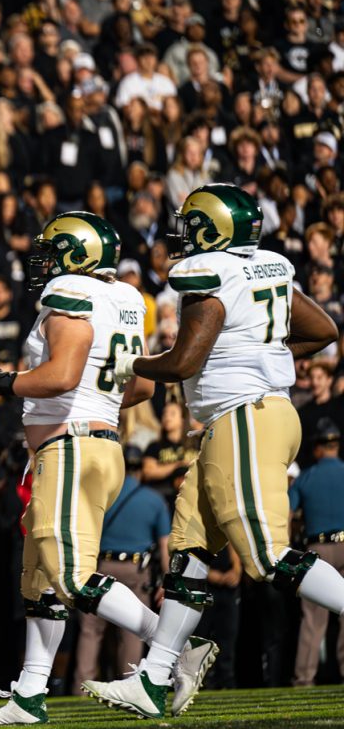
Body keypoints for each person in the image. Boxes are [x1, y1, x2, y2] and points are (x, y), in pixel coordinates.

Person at [84, 184, 344, 719]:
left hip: (246, 418)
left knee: (268, 556)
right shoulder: (266, 266)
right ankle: (155, 679)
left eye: (190, 223)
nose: (182, 233)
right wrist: (262, 352)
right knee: (191, 552)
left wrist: (133, 366)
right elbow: (324, 330)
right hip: (255, 417)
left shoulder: (212, 274)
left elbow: (182, 361)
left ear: (213, 227)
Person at [0, 212, 179, 726]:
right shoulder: (128, 298)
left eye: (52, 249)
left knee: (69, 576)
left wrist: (1, 381)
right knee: (39, 581)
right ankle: (30, 695)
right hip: (99, 443)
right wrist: (99, 406)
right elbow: (145, 387)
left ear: (75, 254)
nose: (44, 260)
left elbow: (61, 376)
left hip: (73, 447)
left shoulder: (68, 291)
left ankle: (172, 644)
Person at [72, 452, 171, 690]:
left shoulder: (103, 496)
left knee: (90, 633)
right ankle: (130, 687)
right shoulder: (154, 499)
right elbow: (165, 546)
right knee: (133, 631)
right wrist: (167, 581)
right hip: (136, 570)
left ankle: (81, 690)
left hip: (100, 567)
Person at [289, 419, 344, 686]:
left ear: (318, 447)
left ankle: (304, 679)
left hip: (317, 549)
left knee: (312, 619)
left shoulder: (306, 477)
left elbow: (287, 514)